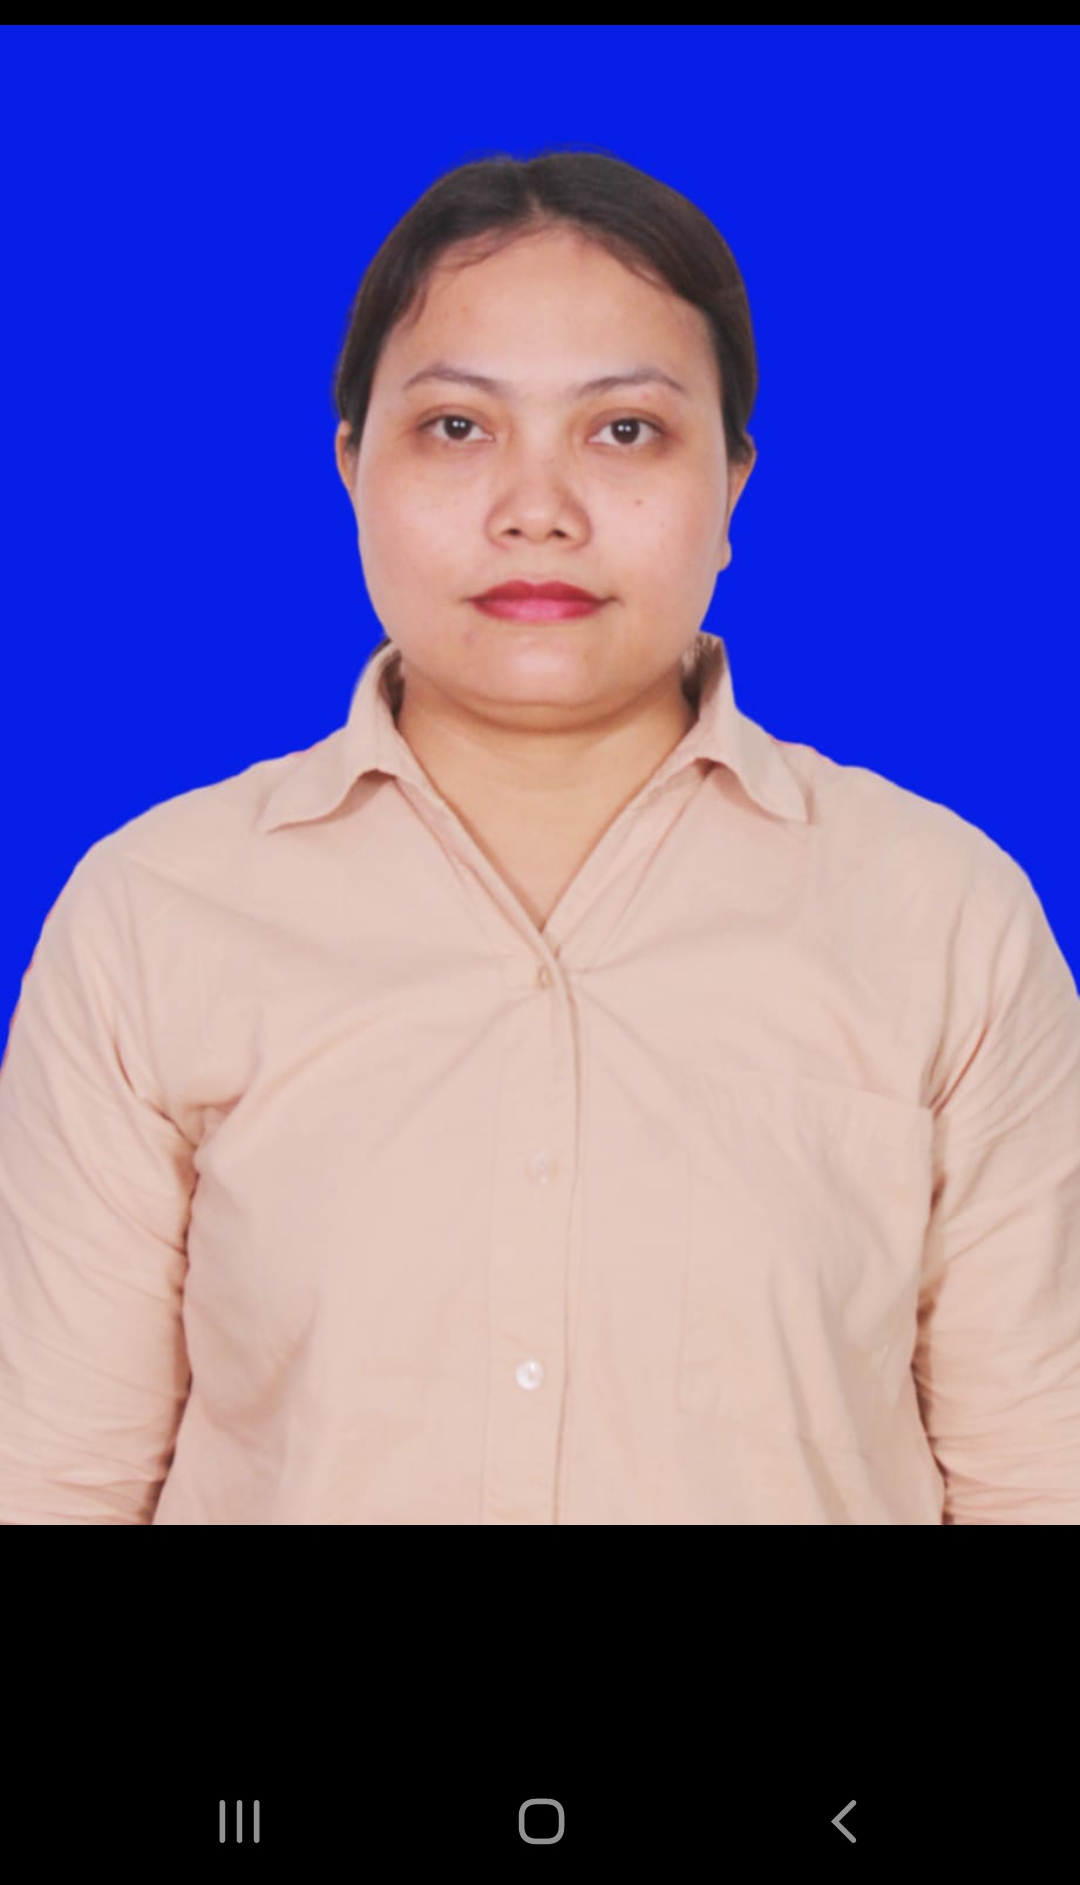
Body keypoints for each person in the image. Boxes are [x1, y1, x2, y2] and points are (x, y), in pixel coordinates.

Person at [1, 147, 1078, 1524]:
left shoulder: (942, 918)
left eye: (624, 431)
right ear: (352, 468)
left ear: (732, 486)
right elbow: (56, 1482)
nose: (537, 510)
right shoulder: (152, 916)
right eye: (458, 427)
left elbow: (1040, 1477)